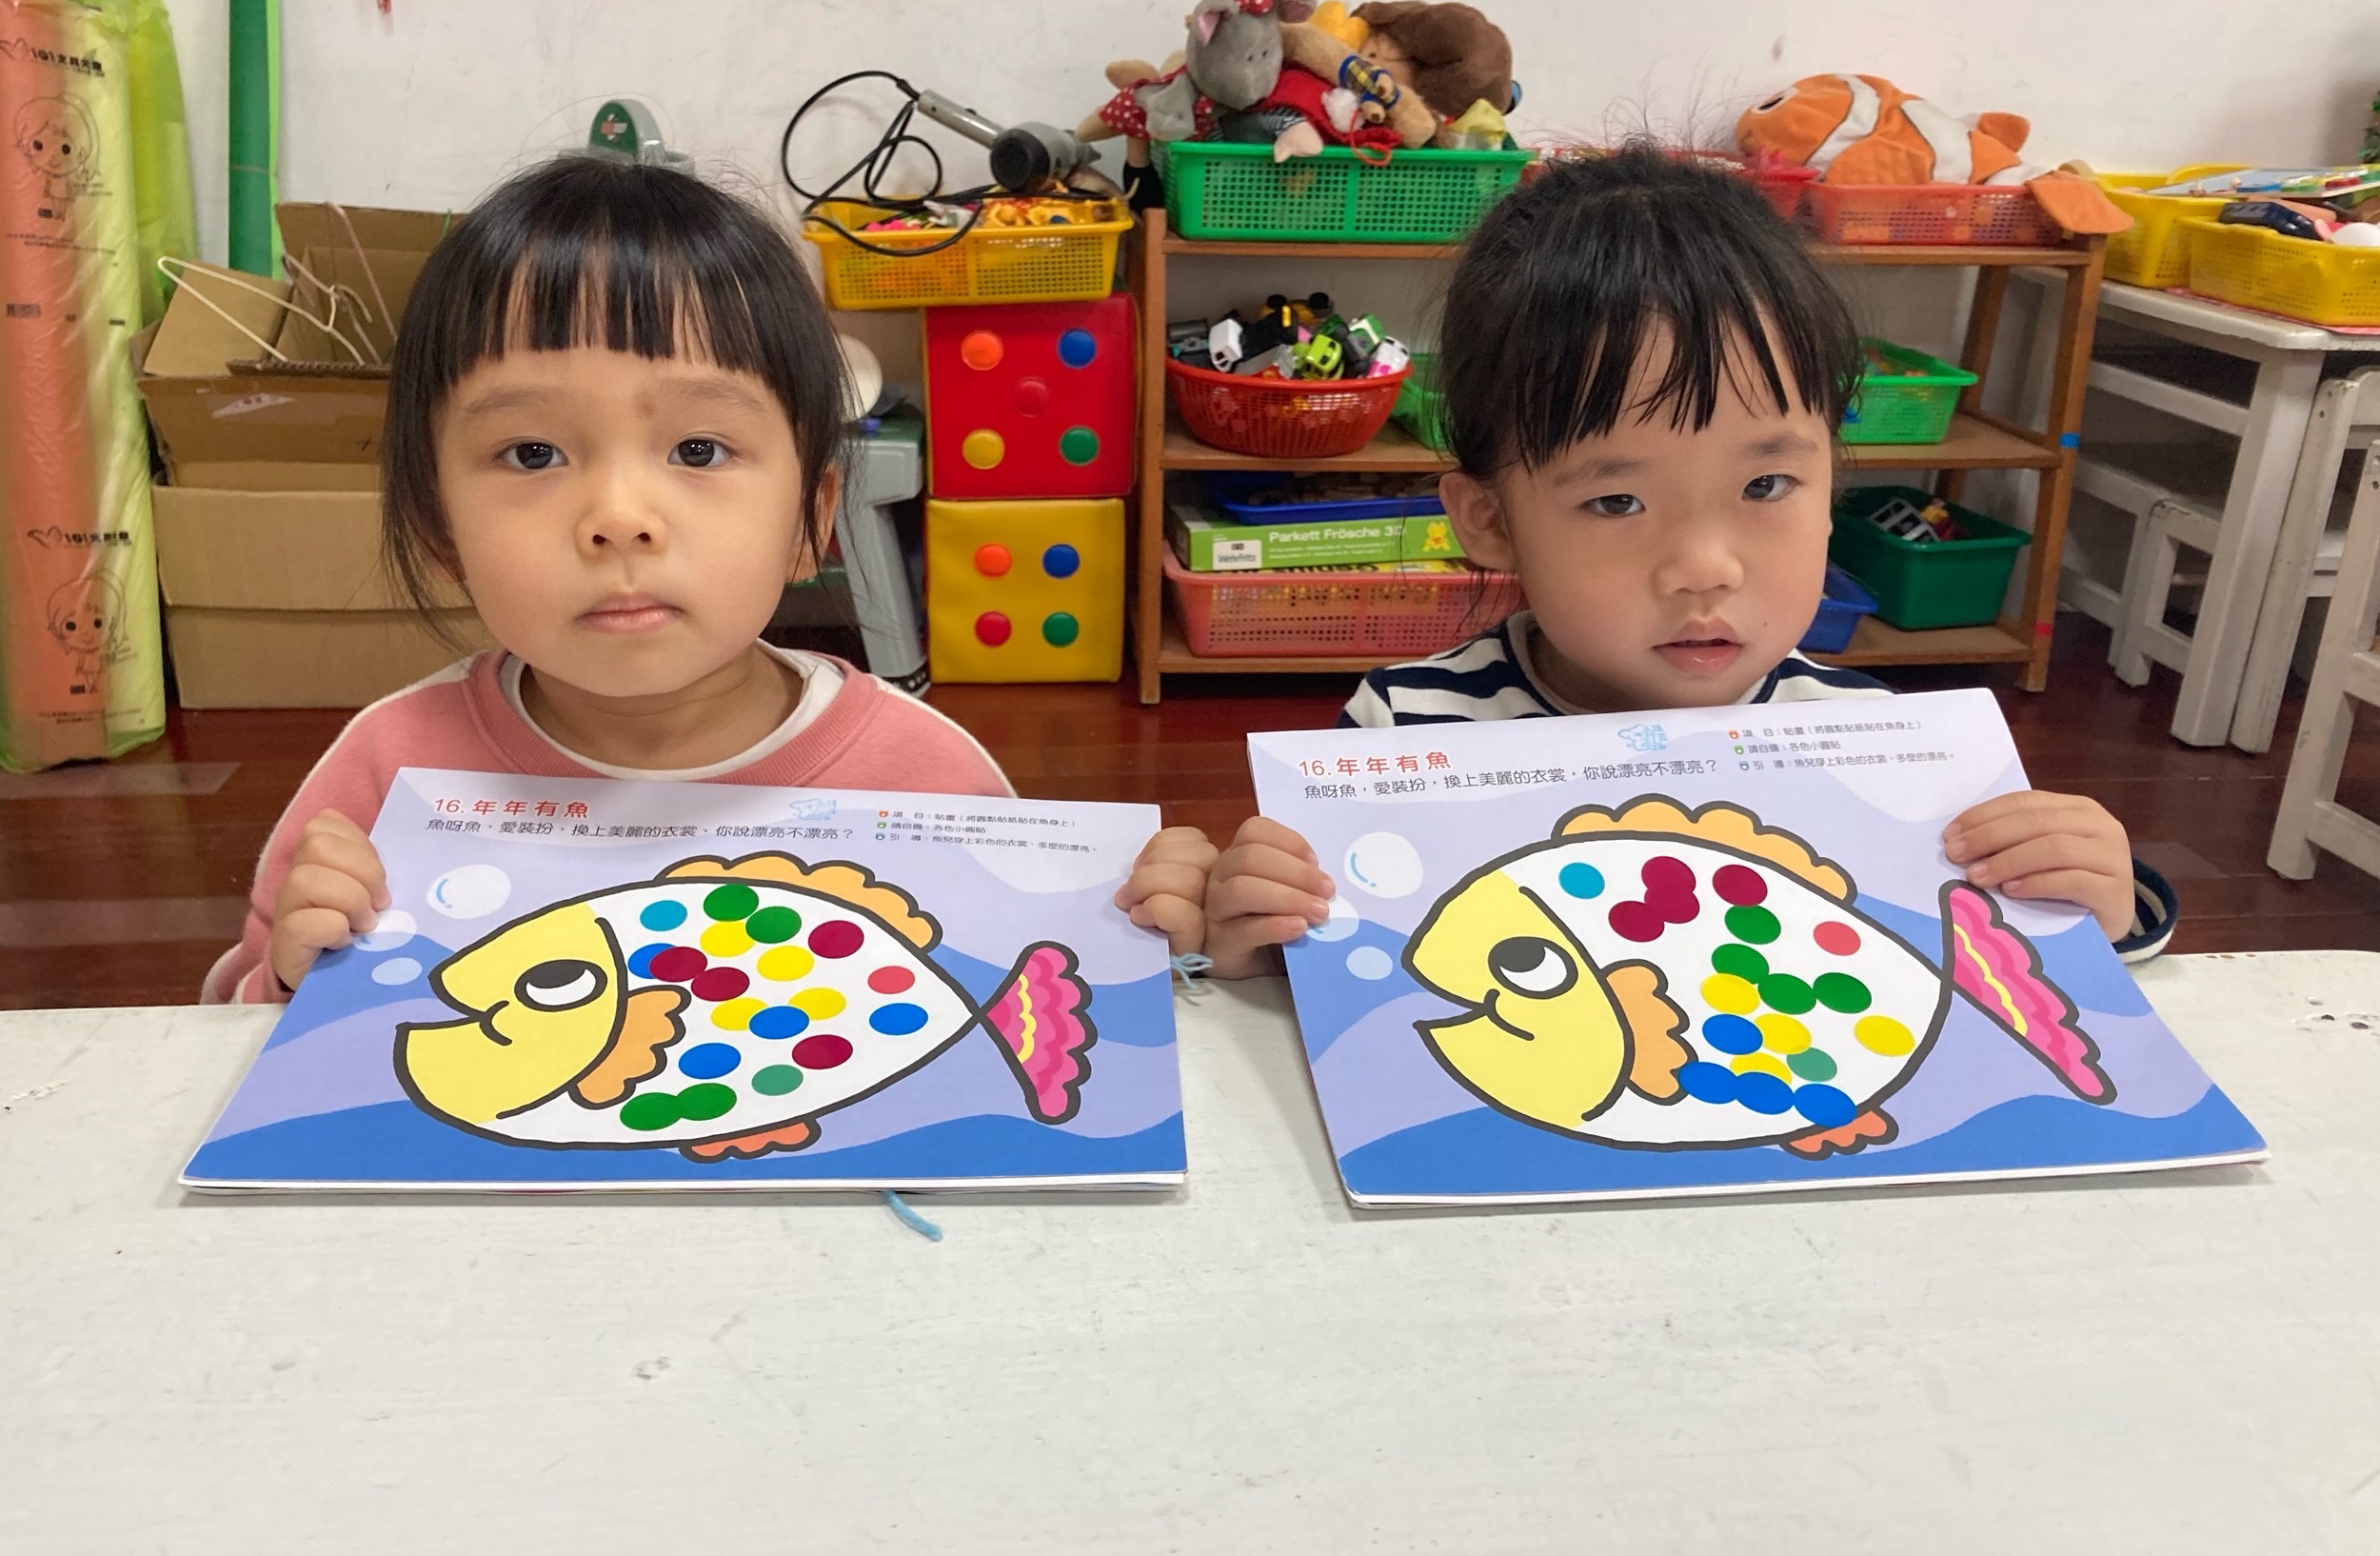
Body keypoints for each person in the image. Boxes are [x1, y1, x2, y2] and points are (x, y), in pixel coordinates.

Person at [204, 157, 1211, 1003]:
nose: (619, 517)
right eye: (531, 453)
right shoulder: (388, 776)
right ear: (438, 529)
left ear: (812, 521)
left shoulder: (923, 777)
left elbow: (1011, 1001)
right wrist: (289, 980)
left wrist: (1155, 944)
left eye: (698, 448)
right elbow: (230, 1026)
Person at [1203, 147, 2173, 979]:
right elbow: (1353, 980)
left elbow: (1982, 976)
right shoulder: (1405, 733)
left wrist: (2098, 909)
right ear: (1490, 521)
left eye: (1766, 486)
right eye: (1616, 501)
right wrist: (1249, 939)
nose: (1706, 569)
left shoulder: (1872, 749)